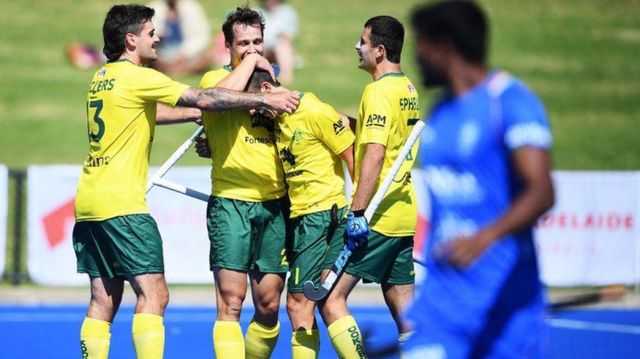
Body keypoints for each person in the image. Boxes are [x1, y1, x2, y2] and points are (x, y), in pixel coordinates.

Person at [72, 4, 298, 359]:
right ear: (131, 40)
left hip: (89, 201)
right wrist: (261, 97)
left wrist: (206, 116)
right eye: (150, 33)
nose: (157, 37)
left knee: (103, 299)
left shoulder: (102, 78)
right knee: (155, 296)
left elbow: (155, 112)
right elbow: (206, 97)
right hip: (122, 204)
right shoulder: (140, 77)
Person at [404, 1, 555, 358]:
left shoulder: (511, 102)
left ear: (444, 46)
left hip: (506, 304)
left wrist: (484, 238)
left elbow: (542, 191)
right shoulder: (439, 112)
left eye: (421, 46)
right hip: (442, 307)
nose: (417, 57)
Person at [318, 15, 420, 358]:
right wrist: (330, 118)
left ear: (379, 50)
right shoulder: (406, 89)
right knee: (408, 318)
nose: (356, 47)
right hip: (403, 212)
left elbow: (375, 154)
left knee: (328, 297)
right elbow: (380, 135)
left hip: (376, 216)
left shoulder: (377, 92)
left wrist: (357, 210)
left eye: (362, 42)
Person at [197, 7, 296, 359]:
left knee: (269, 307)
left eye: (257, 42)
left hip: (274, 203)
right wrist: (252, 70)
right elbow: (213, 102)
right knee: (231, 303)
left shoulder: (274, 79)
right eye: (243, 43)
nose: (253, 49)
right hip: (231, 202)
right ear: (228, 46)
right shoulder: (214, 79)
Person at [241, 68, 356, 358]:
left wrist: (359, 209)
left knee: (297, 304)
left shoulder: (314, 111)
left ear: (267, 89)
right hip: (304, 216)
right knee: (328, 302)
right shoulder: (278, 119)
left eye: (255, 106)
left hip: (319, 216)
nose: (254, 114)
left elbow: (352, 154)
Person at [147, 0, 211, 76]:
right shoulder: (155, 7)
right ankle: (180, 70)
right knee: (151, 54)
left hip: (185, 53)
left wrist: (185, 53)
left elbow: (202, 37)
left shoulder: (192, 7)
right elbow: (147, 35)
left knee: (209, 55)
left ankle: (173, 70)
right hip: (162, 52)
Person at [255, 0, 298, 84]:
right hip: (263, 46)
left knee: (283, 46)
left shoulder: (288, 12)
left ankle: (286, 77)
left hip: (279, 48)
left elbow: (290, 37)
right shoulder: (256, 12)